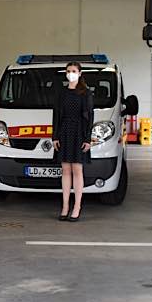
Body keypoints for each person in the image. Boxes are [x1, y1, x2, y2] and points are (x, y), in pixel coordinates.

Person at [52, 62, 94, 222]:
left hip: (79, 132)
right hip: (64, 131)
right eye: (68, 71)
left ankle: (77, 207)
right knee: (65, 170)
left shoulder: (85, 93)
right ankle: (64, 206)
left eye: (74, 71)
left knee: (77, 169)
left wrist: (87, 138)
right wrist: (55, 136)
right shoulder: (61, 93)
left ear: (80, 73)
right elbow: (56, 115)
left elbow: (90, 117)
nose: (71, 73)